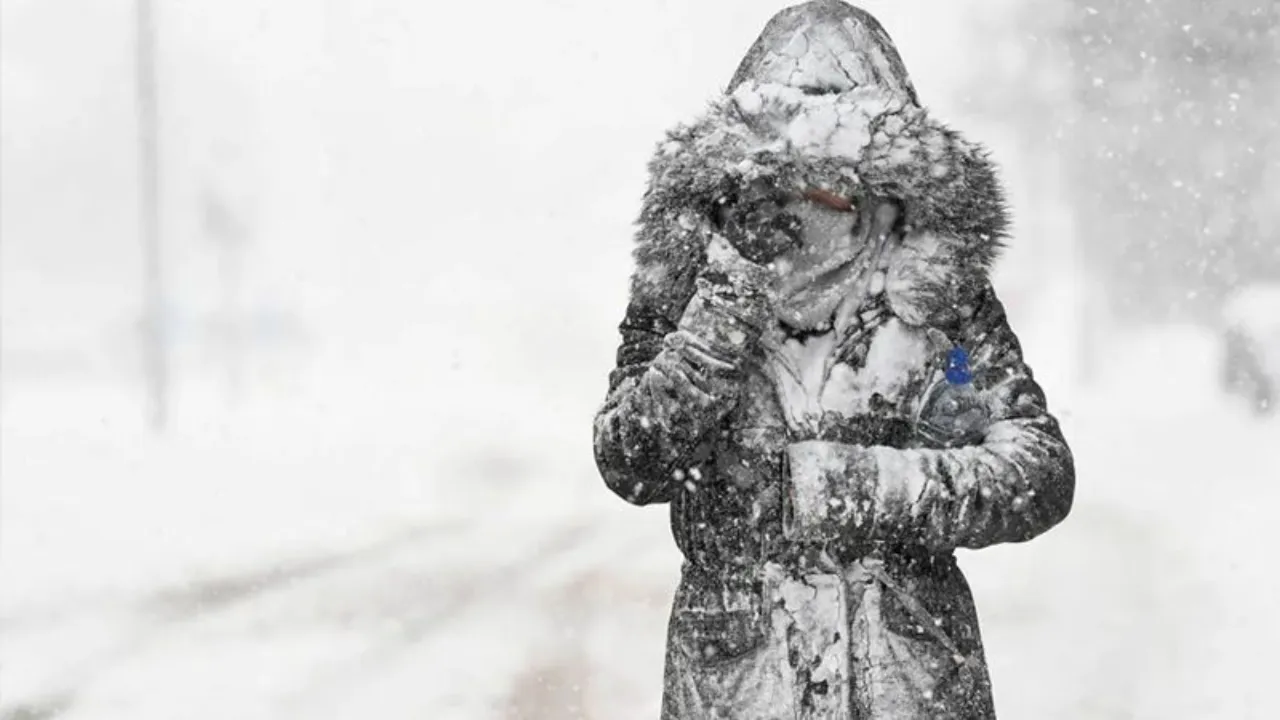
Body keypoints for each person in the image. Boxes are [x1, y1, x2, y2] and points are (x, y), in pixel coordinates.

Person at [592, 2, 1075, 718]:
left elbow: (1036, 472)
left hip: (911, 683)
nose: (812, 200)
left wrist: (862, 488)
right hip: (736, 686)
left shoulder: (936, 293)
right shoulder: (692, 281)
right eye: (786, 174)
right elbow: (631, 460)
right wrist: (724, 307)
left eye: (835, 176)